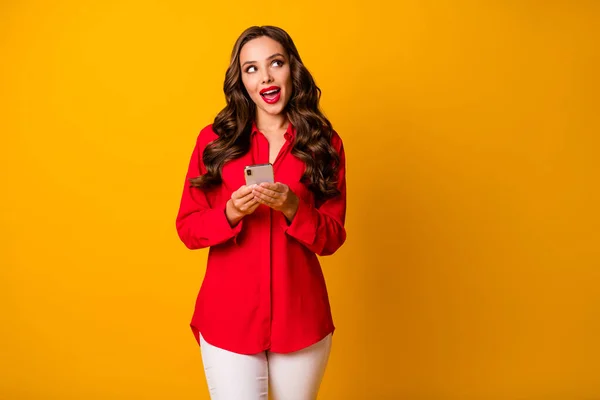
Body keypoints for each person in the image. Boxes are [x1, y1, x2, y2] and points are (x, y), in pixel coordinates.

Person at [175, 25, 347, 400]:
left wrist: (292, 208)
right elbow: (187, 228)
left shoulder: (324, 144)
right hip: (227, 319)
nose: (265, 76)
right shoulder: (213, 141)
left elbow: (333, 236)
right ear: (242, 81)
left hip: (300, 320)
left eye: (275, 63)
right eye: (251, 68)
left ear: (292, 70)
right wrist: (230, 213)